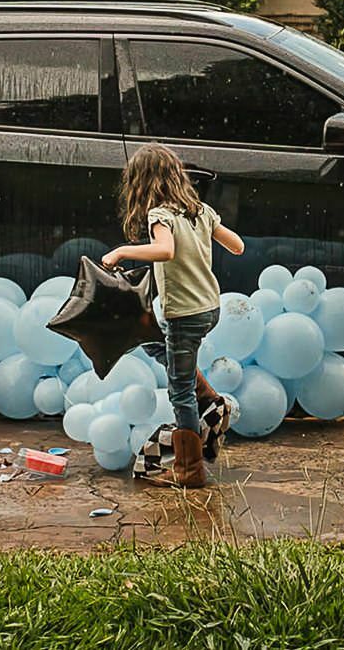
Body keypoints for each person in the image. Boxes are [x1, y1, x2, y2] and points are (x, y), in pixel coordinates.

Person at [103, 143, 246, 489]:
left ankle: (189, 469)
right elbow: (238, 246)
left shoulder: (161, 216)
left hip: (185, 314)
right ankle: (212, 402)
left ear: (142, 183)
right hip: (208, 308)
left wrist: (123, 251)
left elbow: (165, 250)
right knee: (153, 340)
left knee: (179, 391)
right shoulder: (201, 211)